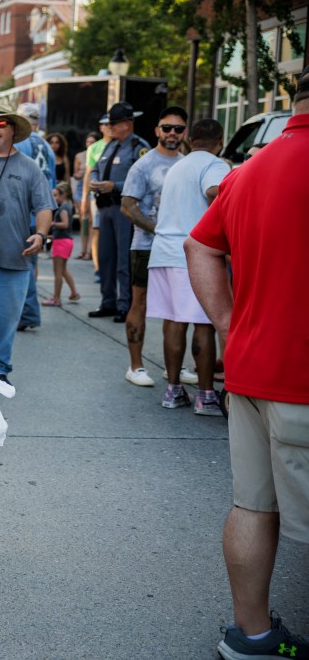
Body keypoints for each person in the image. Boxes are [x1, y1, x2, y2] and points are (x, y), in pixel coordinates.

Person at [185, 65, 309, 660]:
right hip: (299, 377)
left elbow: (199, 245)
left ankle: (251, 634)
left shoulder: (250, 168)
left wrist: (233, 325)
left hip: (254, 368)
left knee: (253, 504)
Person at [147, 118, 230, 413]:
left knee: (173, 321)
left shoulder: (178, 166)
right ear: (220, 140)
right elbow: (215, 192)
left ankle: (173, 390)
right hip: (194, 255)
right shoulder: (215, 164)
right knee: (204, 323)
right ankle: (206, 395)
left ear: (189, 138)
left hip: (164, 251)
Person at [0, 108, 53, 385]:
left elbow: (44, 205)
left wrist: (40, 234)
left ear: (13, 129)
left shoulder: (29, 166)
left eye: (1, 124)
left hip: (14, 261)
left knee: (7, 324)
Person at [119, 106, 187, 387]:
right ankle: (135, 366)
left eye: (178, 129)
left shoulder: (188, 163)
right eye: (167, 128)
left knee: (180, 307)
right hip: (146, 245)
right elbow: (127, 205)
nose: (172, 133)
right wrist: (157, 229)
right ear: (157, 131)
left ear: (185, 132)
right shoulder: (143, 165)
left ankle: (175, 366)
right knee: (141, 302)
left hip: (181, 248)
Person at [88, 102, 151, 323]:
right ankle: (108, 302)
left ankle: (124, 304)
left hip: (123, 208)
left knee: (124, 260)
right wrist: (96, 180)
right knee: (105, 258)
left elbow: (145, 181)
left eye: (114, 123)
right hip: (105, 207)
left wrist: (114, 186)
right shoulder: (109, 145)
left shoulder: (138, 147)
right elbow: (97, 166)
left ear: (128, 123)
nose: (110, 127)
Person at [14, 102, 57, 332]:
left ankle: (28, 311)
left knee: (22, 265)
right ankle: (28, 309)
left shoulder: (20, 143)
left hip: (24, 211)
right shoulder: (46, 145)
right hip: (42, 212)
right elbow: (54, 183)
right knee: (31, 262)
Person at [41, 182, 79, 307]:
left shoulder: (63, 208)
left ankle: (56, 298)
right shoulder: (68, 206)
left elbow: (65, 224)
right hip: (64, 240)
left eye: (56, 195)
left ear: (64, 194)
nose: (54, 198)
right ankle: (74, 292)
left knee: (57, 271)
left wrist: (52, 224)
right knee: (62, 270)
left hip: (62, 242)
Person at [82, 116, 112, 268]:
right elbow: (89, 173)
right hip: (97, 196)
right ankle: (97, 267)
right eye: (106, 124)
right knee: (96, 228)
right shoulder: (94, 148)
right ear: (101, 127)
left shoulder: (119, 145)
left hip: (115, 195)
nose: (109, 126)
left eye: (111, 124)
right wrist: (84, 199)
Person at [72, 132, 98, 261]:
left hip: (93, 188)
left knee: (93, 222)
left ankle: (90, 252)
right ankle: (82, 250)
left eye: (92, 142)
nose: (90, 144)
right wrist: (80, 174)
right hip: (81, 187)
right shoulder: (79, 156)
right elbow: (75, 174)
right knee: (84, 221)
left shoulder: (98, 154)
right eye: (88, 142)